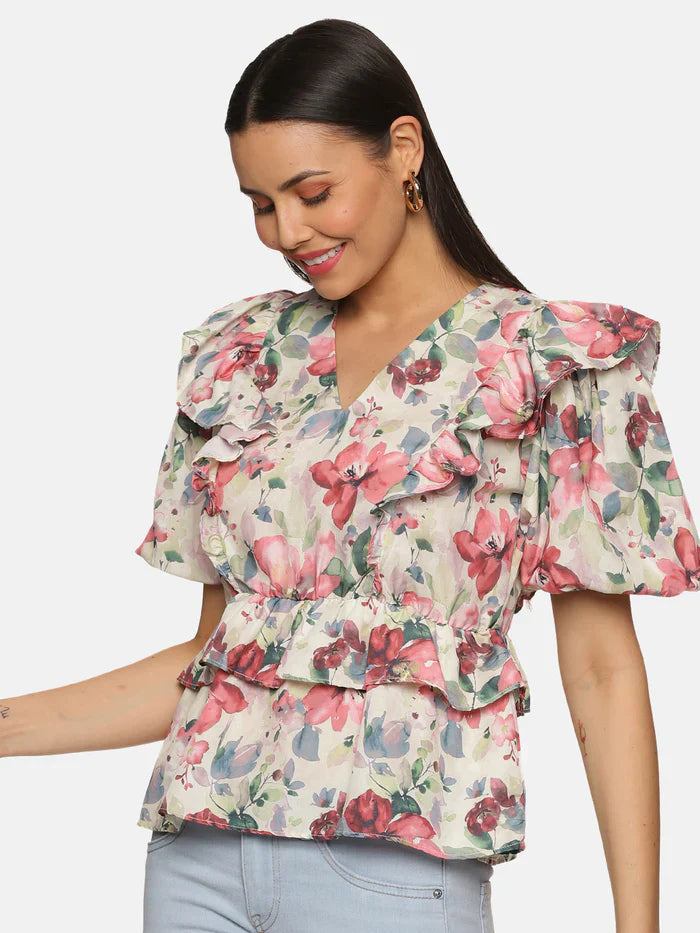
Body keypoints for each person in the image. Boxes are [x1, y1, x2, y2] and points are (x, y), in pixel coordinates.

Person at [3, 17, 699, 933]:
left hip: (394, 876)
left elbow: (604, 675)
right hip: (196, 863)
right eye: (261, 204)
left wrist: (639, 926)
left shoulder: (550, 362)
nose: (287, 232)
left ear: (403, 149)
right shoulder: (243, 356)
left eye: (312, 192)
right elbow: (216, 659)